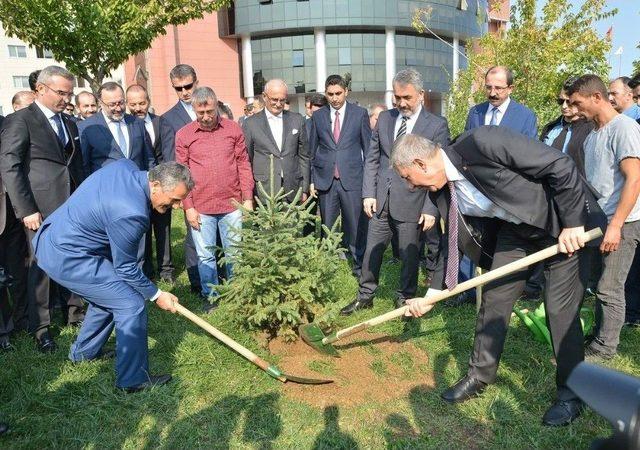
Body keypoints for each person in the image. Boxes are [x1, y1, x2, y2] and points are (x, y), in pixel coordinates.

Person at [394, 129, 605, 427]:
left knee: (560, 311)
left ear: (420, 164)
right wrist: (433, 295)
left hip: (561, 224)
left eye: (407, 177)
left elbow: (560, 165)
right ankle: (479, 376)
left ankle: (571, 394)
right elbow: (450, 239)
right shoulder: (441, 189)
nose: (410, 185)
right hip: (516, 233)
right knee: (494, 300)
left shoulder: (482, 143)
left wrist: (572, 223)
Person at [33, 160, 189, 391]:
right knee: (131, 303)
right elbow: (126, 267)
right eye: (174, 199)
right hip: (68, 256)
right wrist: (157, 295)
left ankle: (84, 353)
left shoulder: (125, 167)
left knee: (110, 296)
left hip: (56, 237)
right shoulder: (132, 213)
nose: (177, 206)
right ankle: (133, 380)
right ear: (155, 185)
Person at [340, 68, 450, 315]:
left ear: (420, 95)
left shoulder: (436, 126)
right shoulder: (386, 119)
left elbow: (439, 171)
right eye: (397, 97)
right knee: (372, 249)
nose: (401, 103)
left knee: (409, 254)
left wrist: (430, 208)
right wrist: (368, 193)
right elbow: (373, 158)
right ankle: (365, 295)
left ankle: (405, 299)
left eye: (407, 98)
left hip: (414, 201)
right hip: (381, 198)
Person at [0, 65, 85, 352]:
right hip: (38, 209)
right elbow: (9, 166)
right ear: (41, 89)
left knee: (73, 257)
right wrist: (26, 209)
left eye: (69, 93)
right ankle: (41, 328)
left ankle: (76, 314)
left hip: (71, 206)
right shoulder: (20, 120)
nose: (66, 98)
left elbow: (74, 164)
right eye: (61, 92)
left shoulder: (69, 123)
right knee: (41, 267)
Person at [567, 74, 640, 360]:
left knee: (610, 288)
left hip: (624, 222)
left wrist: (616, 226)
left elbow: (634, 179)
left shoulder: (624, 128)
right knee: (599, 285)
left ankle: (605, 348)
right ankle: (599, 336)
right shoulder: (592, 134)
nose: (573, 109)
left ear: (597, 97)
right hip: (600, 222)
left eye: (578, 102)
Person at [456, 65, 539, 306]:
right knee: (473, 237)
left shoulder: (525, 116)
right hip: (478, 188)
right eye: (489, 87)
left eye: (498, 88)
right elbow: (465, 145)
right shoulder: (476, 113)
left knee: (504, 242)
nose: (493, 93)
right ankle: (467, 290)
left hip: (508, 192)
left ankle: (501, 289)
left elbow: (527, 154)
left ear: (510, 88)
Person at [175, 87, 254, 311]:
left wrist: (247, 198)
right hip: (201, 207)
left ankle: (236, 294)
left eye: (210, 111)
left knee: (234, 253)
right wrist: (188, 207)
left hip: (232, 204)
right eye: (201, 113)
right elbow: (183, 173)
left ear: (216, 105)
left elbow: (243, 163)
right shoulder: (184, 135)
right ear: (194, 109)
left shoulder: (233, 129)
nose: (206, 117)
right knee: (206, 255)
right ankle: (211, 297)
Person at [308, 75, 371, 277]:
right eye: (330, 94)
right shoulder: (318, 117)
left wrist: (369, 183)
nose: (334, 98)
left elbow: (368, 150)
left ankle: (358, 263)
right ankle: (332, 262)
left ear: (346, 92)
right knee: (329, 224)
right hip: (325, 179)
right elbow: (311, 150)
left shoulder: (359, 114)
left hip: (352, 178)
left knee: (355, 224)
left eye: (338, 93)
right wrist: (311, 180)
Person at [126, 85, 175, 284]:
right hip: (136, 189)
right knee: (141, 231)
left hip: (161, 187)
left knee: (163, 229)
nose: (138, 107)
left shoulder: (161, 123)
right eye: (133, 104)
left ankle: (166, 270)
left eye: (142, 103)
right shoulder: (126, 125)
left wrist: (166, 185)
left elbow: (168, 155)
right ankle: (146, 271)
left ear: (148, 101)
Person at [160, 64, 200, 294]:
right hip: (189, 186)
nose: (185, 92)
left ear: (196, 81)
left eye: (188, 86)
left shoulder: (213, 106)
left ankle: (223, 273)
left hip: (216, 183)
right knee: (194, 232)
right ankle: (196, 279)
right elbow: (170, 158)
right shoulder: (168, 119)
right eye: (179, 88)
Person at [242, 79, 309, 203]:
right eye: (274, 99)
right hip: (265, 190)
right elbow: (247, 159)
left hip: (293, 188)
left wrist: (304, 189)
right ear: (264, 97)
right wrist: (249, 194)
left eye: (282, 100)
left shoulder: (297, 120)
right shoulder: (251, 124)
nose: (278, 104)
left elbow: (304, 156)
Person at [78, 82, 155, 177]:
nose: (118, 108)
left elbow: (149, 159)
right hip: (106, 188)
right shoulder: (87, 127)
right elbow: (84, 166)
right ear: (100, 103)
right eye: (112, 104)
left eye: (121, 103)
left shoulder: (137, 123)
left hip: (137, 186)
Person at [0, 125, 28, 352]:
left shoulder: (8, 124)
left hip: (15, 214)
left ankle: (22, 321)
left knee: (18, 272)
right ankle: (3, 332)